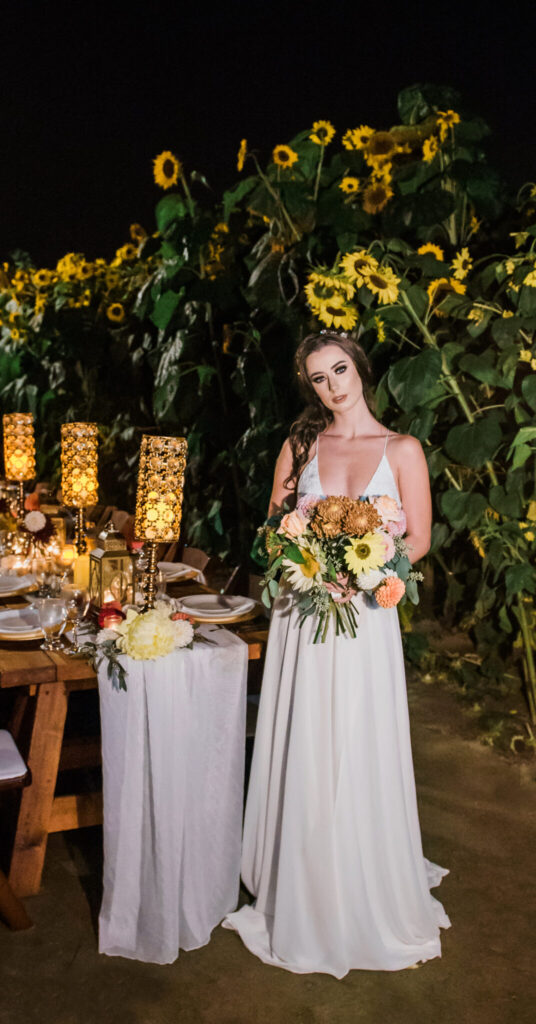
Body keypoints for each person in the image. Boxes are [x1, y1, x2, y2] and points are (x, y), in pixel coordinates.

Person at [223, 331, 450, 978]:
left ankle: (362, 878)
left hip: (366, 617)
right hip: (303, 613)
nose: (333, 386)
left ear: (361, 369)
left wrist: (369, 568)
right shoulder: (300, 446)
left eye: (340, 370)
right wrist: (305, 565)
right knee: (306, 737)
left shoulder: (402, 449)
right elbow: (273, 531)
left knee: (357, 738)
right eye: (319, 379)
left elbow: (423, 538)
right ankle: (300, 876)